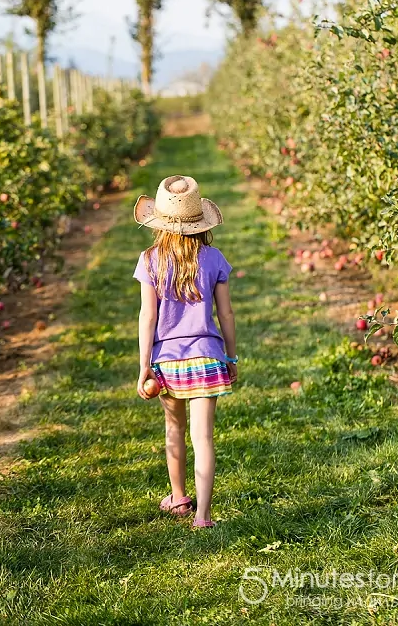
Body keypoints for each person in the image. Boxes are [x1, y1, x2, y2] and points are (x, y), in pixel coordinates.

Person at [132, 174, 238, 529]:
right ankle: (203, 517)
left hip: (169, 361)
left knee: (174, 430)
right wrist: (231, 357)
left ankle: (178, 498)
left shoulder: (150, 260)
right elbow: (226, 314)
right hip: (208, 357)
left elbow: (148, 316)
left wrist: (145, 366)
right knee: (203, 437)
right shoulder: (214, 258)